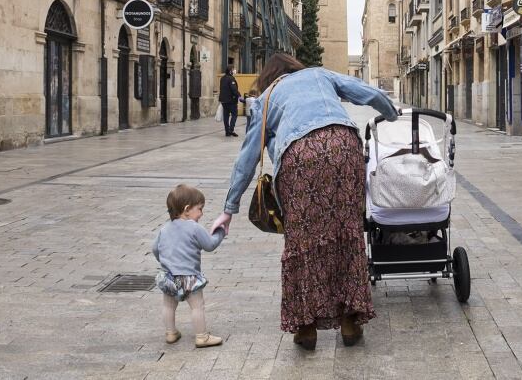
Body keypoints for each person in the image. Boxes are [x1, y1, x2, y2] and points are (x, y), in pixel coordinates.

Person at [211, 53, 398, 350]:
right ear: (294, 66)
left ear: (268, 76)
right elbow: (369, 93)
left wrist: (228, 209)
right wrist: (391, 116)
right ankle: (350, 322)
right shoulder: (319, 74)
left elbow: (248, 158)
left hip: (300, 158)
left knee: (302, 242)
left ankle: (306, 328)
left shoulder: (266, 98)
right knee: (347, 232)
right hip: (344, 146)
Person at [152, 184, 226, 348]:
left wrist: (165, 262)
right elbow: (210, 245)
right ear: (187, 209)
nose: (201, 213)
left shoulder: (164, 229)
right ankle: (202, 337)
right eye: (199, 209)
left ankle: (170, 333)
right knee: (197, 306)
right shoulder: (194, 228)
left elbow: (155, 249)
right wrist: (220, 232)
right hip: (189, 278)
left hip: (170, 277)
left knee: (168, 305)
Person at [218, 66, 240, 137]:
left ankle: (227, 131)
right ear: (230, 71)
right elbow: (233, 89)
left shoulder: (222, 78)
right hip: (231, 100)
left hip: (223, 100)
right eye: (233, 69)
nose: (234, 71)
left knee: (226, 116)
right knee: (234, 114)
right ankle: (231, 130)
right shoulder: (231, 78)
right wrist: (239, 95)